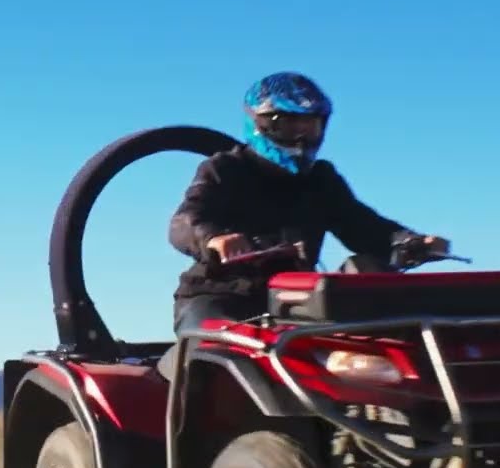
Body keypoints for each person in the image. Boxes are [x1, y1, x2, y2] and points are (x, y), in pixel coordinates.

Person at [168, 71, 448, 332]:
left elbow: (361, 224)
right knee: (218, 347)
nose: (301, 137)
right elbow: (185, 221)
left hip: (297, 299)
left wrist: (410, 241)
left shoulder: (321, 179)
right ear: (260, 124)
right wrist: (214, 239)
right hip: (220, 295)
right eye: (289, 125)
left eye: (309, 126)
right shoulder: (225, 169)